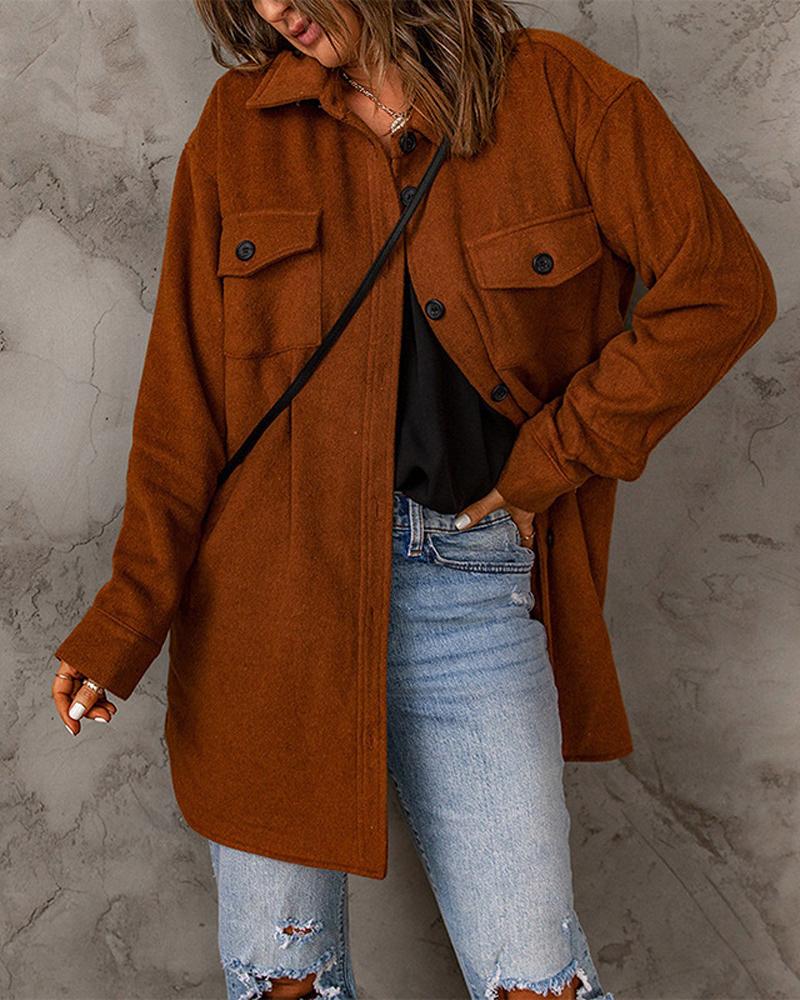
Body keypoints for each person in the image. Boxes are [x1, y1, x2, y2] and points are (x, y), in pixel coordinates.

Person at [50, 2, 778, 998]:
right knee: (284, 982)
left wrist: (550, 459)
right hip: (266, 604)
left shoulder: (560, 95)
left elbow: (722, 290)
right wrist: (124, 621)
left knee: (534, 979)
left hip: (470, 589)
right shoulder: (238, 129)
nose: (276, 9)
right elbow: (184, 408)